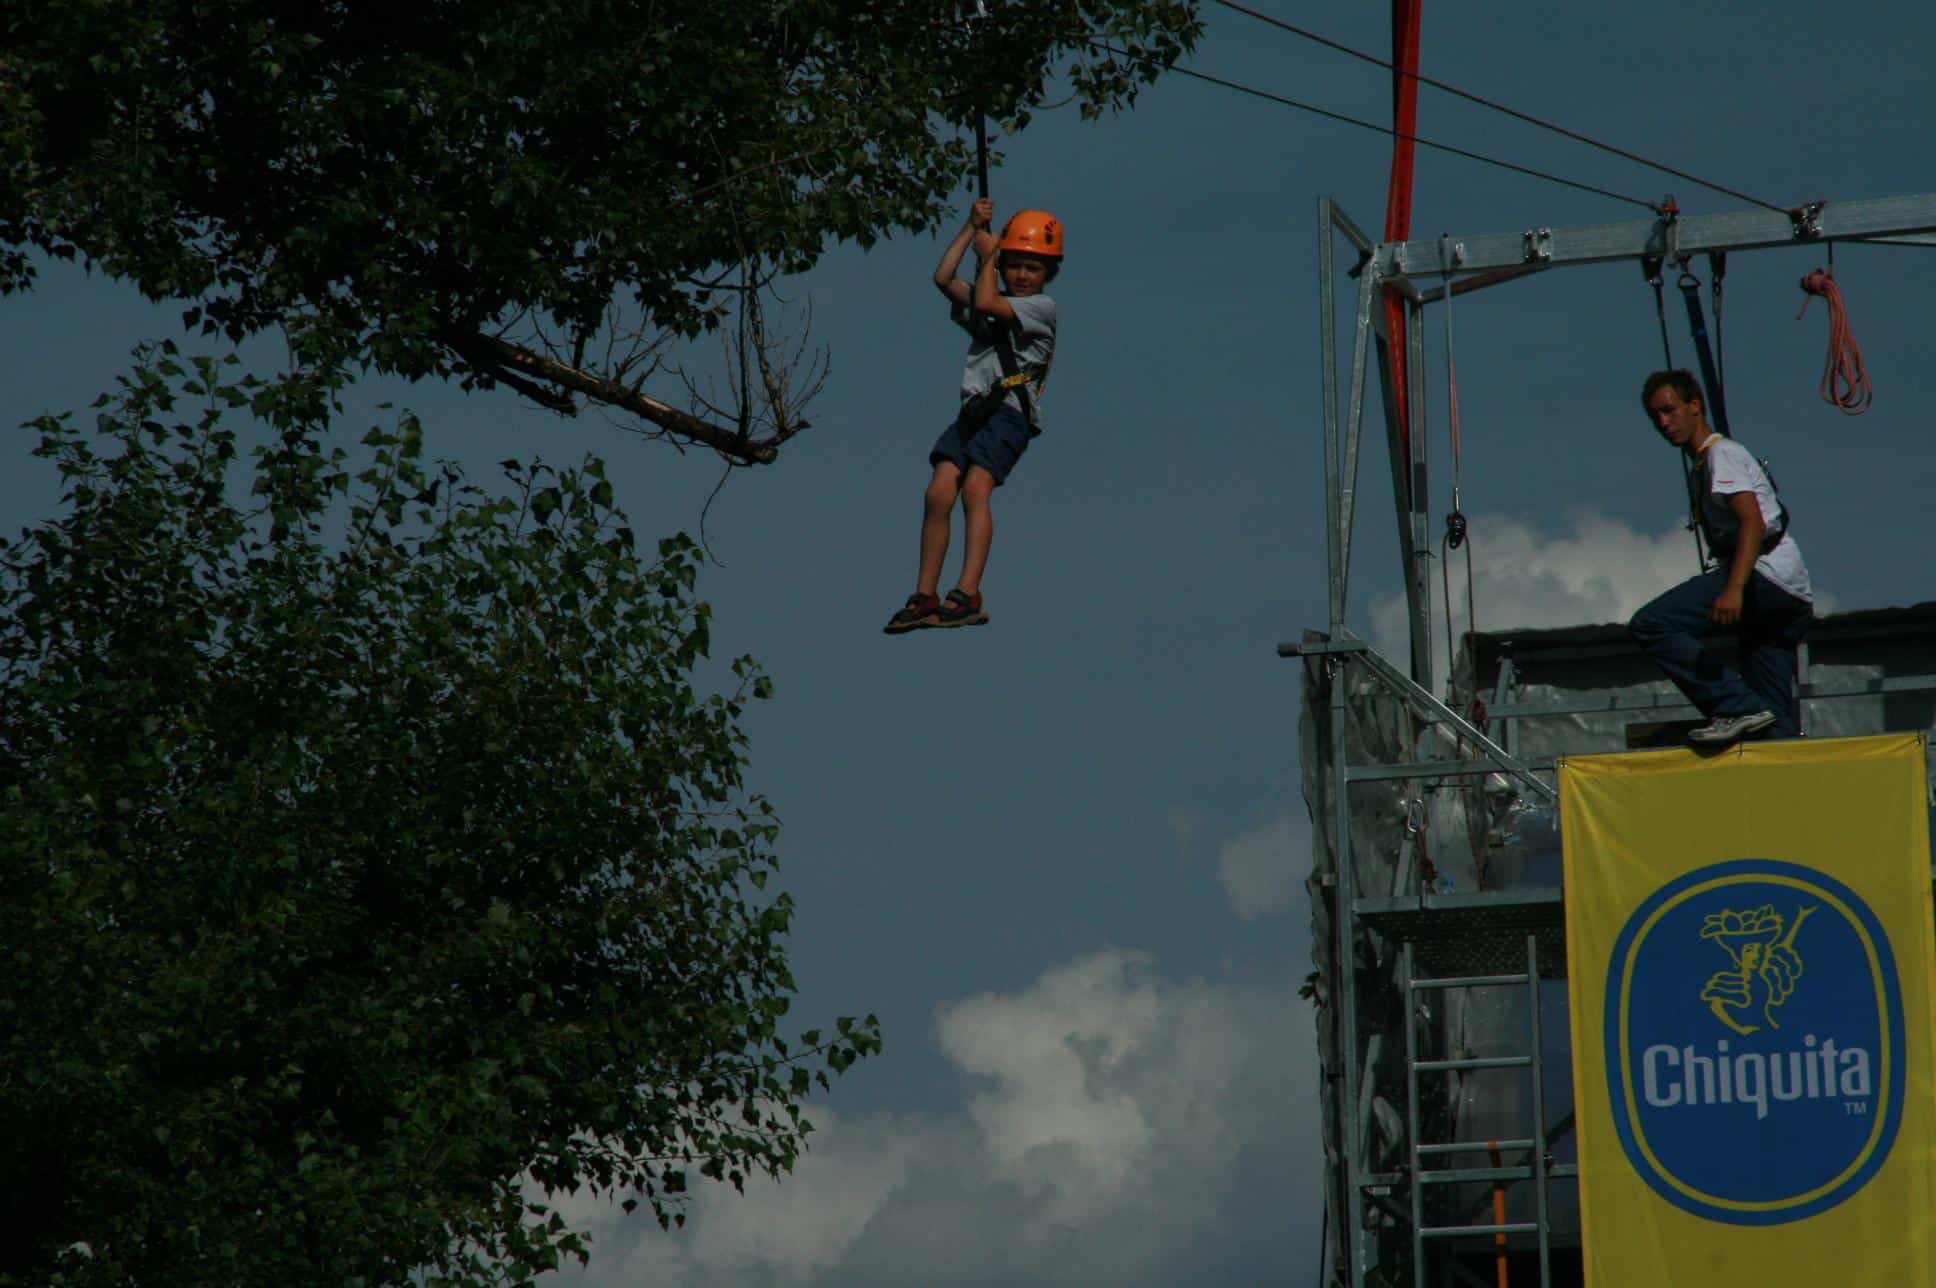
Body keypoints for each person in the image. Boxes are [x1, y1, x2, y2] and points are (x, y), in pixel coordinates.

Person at [883, 197, 1061, 633]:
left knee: (975, 489)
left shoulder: (1040, 309)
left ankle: (967, 591)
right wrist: (971, 228)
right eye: (1015, 264)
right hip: (976, 409)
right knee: (938, 491)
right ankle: (925, 595)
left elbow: (985, 299)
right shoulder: (991, 292)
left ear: (1049, 274)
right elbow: (943, 278)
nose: (1021, 275)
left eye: (1032, 268)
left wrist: (991, 257)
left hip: (1010, 411)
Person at [1629, 370, 1813, 745]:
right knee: (1772, 724)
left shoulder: (1721, 454)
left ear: (1695, 405)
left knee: (1652, 624)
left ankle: (1733, 705)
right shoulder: (1707, 460)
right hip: (1789, 591)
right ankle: (1779, 755)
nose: (1664, 423)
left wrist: (1733, 588)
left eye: (1670, 410)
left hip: (1764, 577)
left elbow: (1752, 522)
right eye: (1656, 417)